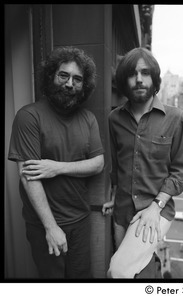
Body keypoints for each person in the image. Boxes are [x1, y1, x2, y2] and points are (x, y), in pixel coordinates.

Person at [8, 46, 104, 279]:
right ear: (51, 76)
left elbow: (98, 163)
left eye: (77, 79)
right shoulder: (29, 116)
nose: (70, 84)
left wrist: (56, 167)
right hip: (46, 224)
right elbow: (29, 176)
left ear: (84, 86)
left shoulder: (88, 118)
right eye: (64, 75)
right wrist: (51, 228)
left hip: (80, 221)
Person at [102, 47, 183, 278]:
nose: (139, 79)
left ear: (154, 78)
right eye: (132, 74)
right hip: (121, 210)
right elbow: (117, 165)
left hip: (156, 211)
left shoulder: (175, 118)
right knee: (139, 271)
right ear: (124, 80)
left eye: (145, 72)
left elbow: (179, 174)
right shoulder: (114, 119)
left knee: (118, 271)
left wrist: (155, 207)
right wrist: (113, 195)